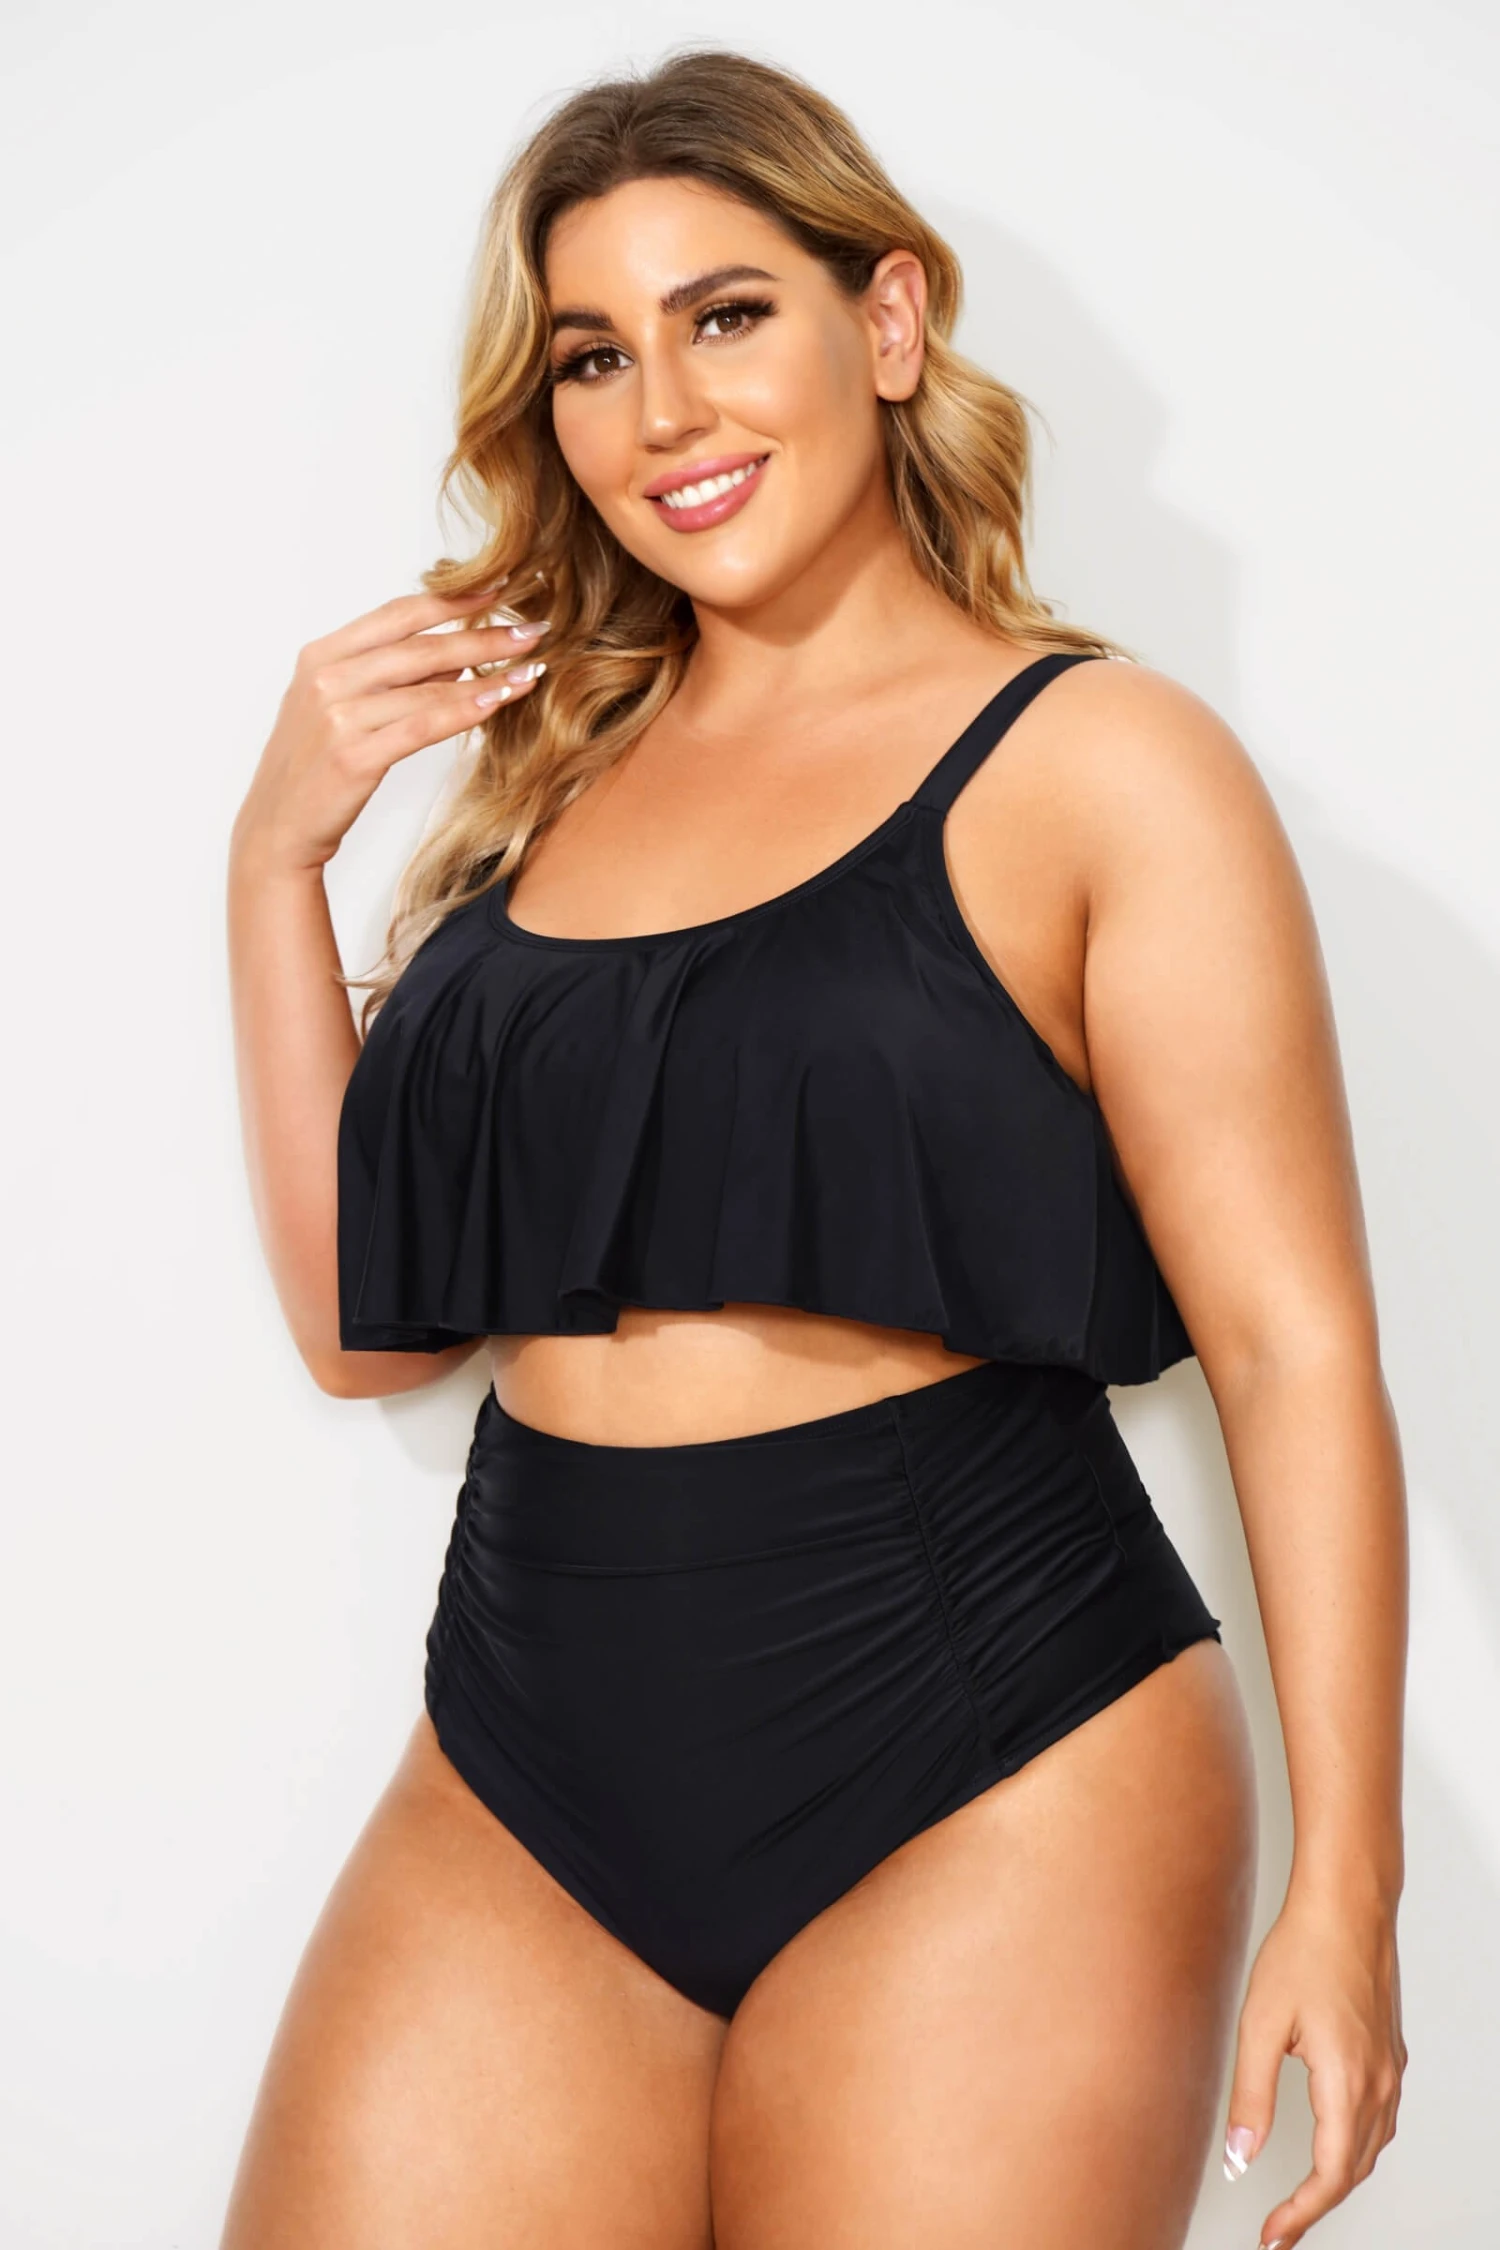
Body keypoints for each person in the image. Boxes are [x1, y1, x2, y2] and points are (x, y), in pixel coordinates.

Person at [221, 46, 1407, 2250]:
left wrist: (1350, 1888)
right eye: (595, 354)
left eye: (727, 313)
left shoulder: (1102, 762)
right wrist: (273, 861)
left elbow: (1293, 1345)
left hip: (990, 1742)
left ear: (888, 320)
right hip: (524, 1743)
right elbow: (364, 1333)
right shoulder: (550, 791)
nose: (663, 408)